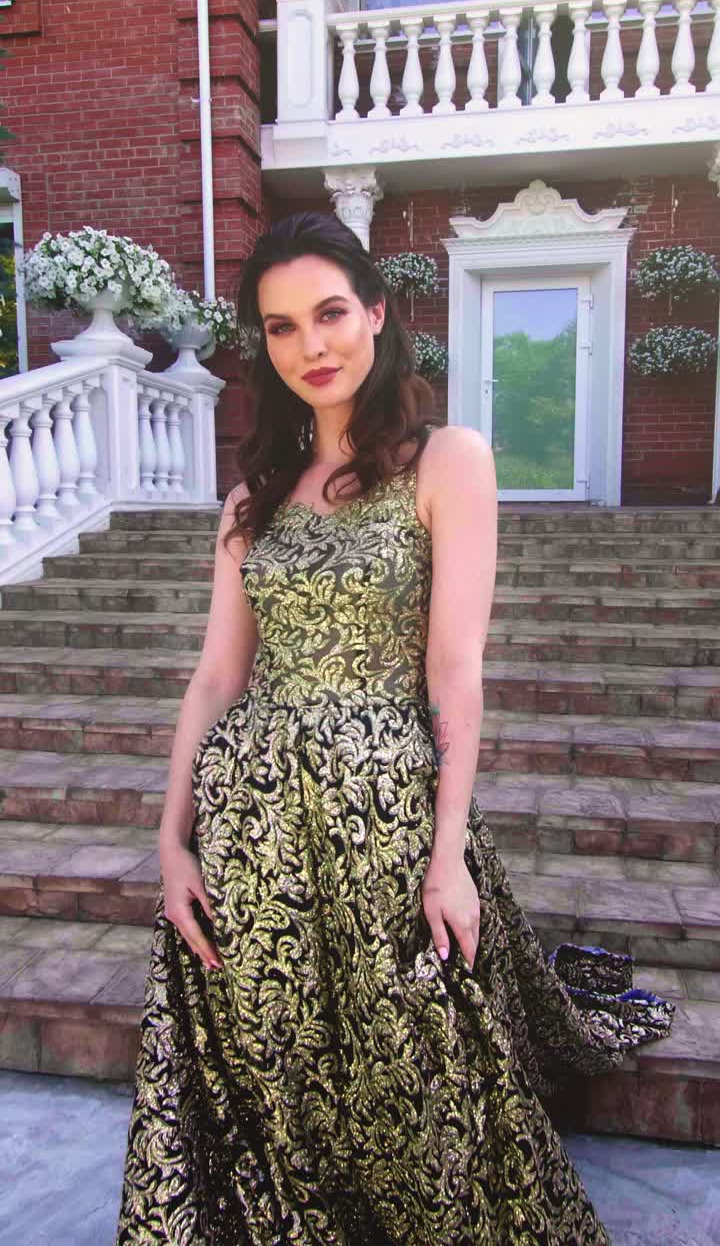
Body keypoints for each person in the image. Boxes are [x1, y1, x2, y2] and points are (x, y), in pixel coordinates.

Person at [115, 211, 676, 1245]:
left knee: (412, 1056)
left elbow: (455, 672)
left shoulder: (446, 460)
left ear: (377, 313)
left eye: (330, 313)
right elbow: (214, 675)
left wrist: (448, 851)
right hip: (251, 825)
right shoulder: (252, 501)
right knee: (272, 1041)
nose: (311, 345)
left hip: (386, 814)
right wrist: (168, 837)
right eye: (281, 328)